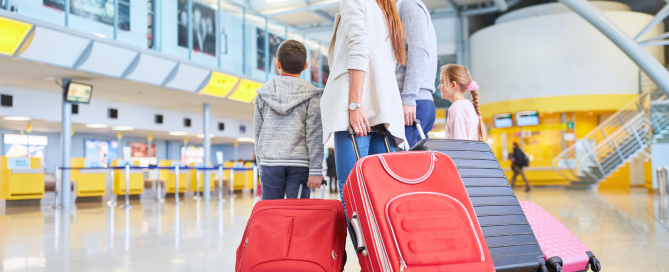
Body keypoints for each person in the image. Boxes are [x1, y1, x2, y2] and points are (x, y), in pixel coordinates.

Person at [321, 0, 407, 209]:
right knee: (383, 191)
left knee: (351, 190)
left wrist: (355, 104)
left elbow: (359, 47)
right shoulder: (387, 10)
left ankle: (365, 244)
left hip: (359, 100)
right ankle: (381, 243)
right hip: (384, 107)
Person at [254, 40, 324, 200]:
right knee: (297, 215)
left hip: (269, 163)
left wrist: (261, 165)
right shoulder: (312, 95)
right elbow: (315, 134)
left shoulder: (263, 94)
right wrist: (315, 169)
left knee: (271, 214)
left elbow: (257, 133)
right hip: (300, 165)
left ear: (277, 63)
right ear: (306, 66)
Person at [396, 0, 438, 147]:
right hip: (417, 100)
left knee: (406, 166)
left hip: (413, 101)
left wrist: (408, 97)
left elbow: (419, 50)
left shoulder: (408, 5)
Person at [438, 64, 487, 141]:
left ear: (453, 85)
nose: (439, 87)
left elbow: (459, 145)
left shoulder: (457, 107)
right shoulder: (467, 105)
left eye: (441, 82)